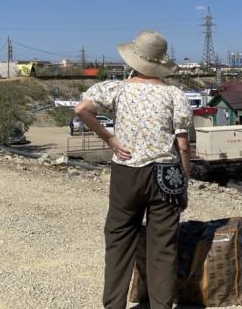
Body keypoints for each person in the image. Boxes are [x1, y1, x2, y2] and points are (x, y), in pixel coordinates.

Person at [75, 31, 192, 309]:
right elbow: (183, 146)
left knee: (119, 237)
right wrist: (185, 181)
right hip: (166, 173)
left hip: (127, 171)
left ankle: (114, 304)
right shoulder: (174, 95)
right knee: (163, 246)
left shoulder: (117, 89)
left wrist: (110, 139)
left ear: (134, 59)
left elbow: (81, 109)